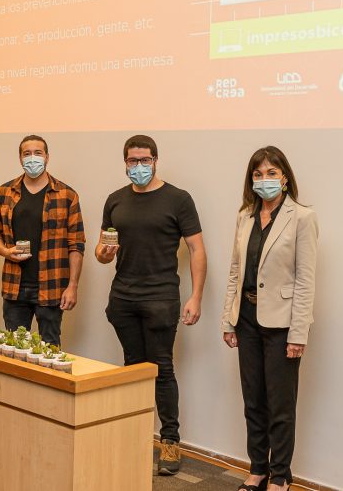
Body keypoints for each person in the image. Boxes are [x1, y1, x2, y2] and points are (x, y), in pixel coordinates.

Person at [95, 135, 207, 476]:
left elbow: (197, 250)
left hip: (161, 297)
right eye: (133, 161)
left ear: (156, 160)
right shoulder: (115, 200)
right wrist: (104, 253)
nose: (139, 166)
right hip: (123, 297)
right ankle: (135, 435)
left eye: (145, 160)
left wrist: (196, 296)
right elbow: (101, 251)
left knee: (161, 369)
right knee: (132, 367)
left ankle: (170, 440)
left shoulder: (178, 199)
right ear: (125, 163)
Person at [221, 146, 319, 491]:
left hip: (282, 324)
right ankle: (258, 469)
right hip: (246, 318)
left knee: (280, 405)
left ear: (285, 178)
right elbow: (235, 270)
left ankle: (280, 475)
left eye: (271, 173)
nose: (265, 179)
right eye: (258, 174)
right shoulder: (245, 216)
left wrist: (298, 333)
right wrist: (228, 319)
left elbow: (305, 280)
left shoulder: (302, 217)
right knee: (253, 401)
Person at [0, 135, 85, 346]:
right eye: (27, 153)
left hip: (51, 287)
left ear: (47, 157)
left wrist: (72, 286)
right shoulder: (4, 192)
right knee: (14, 348)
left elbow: (76, 245)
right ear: (20, 158)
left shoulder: (67, 195)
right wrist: (6, 252)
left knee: (50, 348)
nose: (32, 158)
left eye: (38, 153)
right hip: (14, 287)